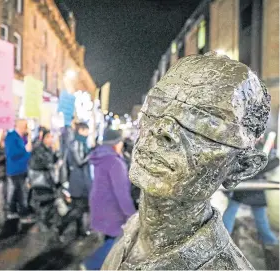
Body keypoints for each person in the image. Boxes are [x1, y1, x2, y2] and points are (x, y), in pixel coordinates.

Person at [102, 52, 271, 270]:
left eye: (204, 123)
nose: (162, 128)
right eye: (157, 106)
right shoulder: (132, 231)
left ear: (241, 167)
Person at [223, 135, 279, 267]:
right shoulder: (247, 145)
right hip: (245, 184)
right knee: (232, 211)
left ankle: (270, 242)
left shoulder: (263, 146)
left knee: (259, 217)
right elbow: (250, 165)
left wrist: (272, 159)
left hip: (255, 186)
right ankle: (224, 236)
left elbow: (267, 165)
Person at [84, 129, 136, 269]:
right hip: (112, 208)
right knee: (116, 242)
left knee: (110, 238)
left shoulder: (100, 157)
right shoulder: (115, 163)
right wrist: (131, 215)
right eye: (120, 142)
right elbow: (122, 193)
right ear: (115, 143)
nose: (121, 145)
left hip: (99, 203)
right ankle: (92, 265)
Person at [58, 122, 92, 238]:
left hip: (81, 180)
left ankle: (80, 231)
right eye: (86, 131)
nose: (88, 133)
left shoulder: (80, 143)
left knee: (80, 208)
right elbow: (80, 161)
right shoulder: (77, 144)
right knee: (77, 208)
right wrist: (92, 154)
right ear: (81, 131)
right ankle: (62, 224)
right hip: (78, 181)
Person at [28, 128, 60, 230]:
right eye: (48, 137)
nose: (51, 139)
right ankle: (43, 227)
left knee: (49, 204)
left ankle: (48, 225)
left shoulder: (49, 148)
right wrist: (51, 165)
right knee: (43, 204)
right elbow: (38, 163)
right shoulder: (38, 149)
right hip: (41, 182)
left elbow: (55, 160)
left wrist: (56, 152)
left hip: (49, 181)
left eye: (52, 137)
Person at [5, 119, 32, 222]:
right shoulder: (11, 137)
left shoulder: (22, 137)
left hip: (22, 168)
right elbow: (12, 153)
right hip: (15, 169)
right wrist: (25, 150)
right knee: (20, 192)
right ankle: (20, 213)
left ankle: (16, 212)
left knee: (20, 191)